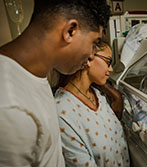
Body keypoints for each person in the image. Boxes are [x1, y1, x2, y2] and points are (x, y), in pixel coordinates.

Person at [0, 0, 110, 166]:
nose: (91, 56)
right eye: (94, 43)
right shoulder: (11, 109)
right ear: (70, 31)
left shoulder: (35, 74)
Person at [54, 40, 130, 167]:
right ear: (89, 58)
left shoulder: (97, 95)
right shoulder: (63, 111)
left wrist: (116, 95)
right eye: (108, 62)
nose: (110, 69)